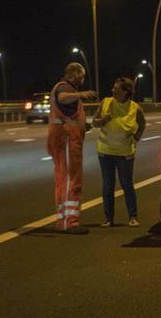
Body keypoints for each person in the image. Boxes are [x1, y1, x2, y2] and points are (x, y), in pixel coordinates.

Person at [47, 62, 96, 234]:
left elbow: (68, 113)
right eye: (82, 75)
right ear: (75, 74)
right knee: (71, 179)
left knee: (63, 179)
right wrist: (81, 94)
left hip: (63, 137)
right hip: (67, 139)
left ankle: (63, 220)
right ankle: (70, 222)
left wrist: (83, 125)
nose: (83, 79)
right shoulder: (64, 87)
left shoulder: (62, 87)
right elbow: (63, 98)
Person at [93, 77, 146, 227]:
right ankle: (108, 219)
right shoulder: (105, 102)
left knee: (127, 184)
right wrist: (102, 120)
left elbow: (142, 124)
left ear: (126, 91)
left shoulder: (135, 107)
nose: (113, 91)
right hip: (105, 151)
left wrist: (136, 138)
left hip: (125, 153)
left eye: (116, 89)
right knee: (108, 186)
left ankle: (133, 217)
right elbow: (94, 122)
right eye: (113, 89)